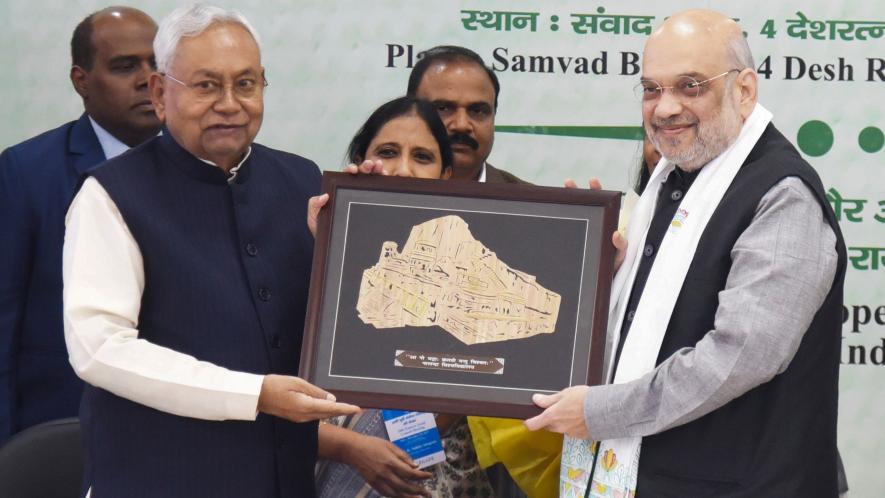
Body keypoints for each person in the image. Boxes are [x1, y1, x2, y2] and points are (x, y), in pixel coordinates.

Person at [525, 9, 846, 498]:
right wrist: (606, 279)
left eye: (691, 85)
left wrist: (600, 411)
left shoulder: (782, 196)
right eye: (652, 89)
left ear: (744, 90)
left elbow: (738, 358)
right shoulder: (672, 180)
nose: (665, 108)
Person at [62, 5, 359, 497]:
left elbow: (335, 326)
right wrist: (254, 394)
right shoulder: (111, 193)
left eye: (246, 84)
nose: (229, 103)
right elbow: (100, 348)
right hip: (157, 479)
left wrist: (358, 235)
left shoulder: (302, 180)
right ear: (160, 92)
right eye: (206, 86)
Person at [312, 96, 494, 498]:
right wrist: (350, 447)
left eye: (423, 157)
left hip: (434, 480)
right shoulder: (316, 244)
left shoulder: (474, 267)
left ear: (446, 174)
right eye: (388, 152)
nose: (403, 169)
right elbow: (270, 403)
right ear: (362, 159)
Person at [0, 6, 160, 445]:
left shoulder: (203, 167)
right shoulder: (26, 172)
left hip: (183, 431)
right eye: (125, 66)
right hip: (62, 429)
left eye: (157, 64)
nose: (148, 79)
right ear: (81, 80)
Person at [407, 45, 524, 184]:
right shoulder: (382, 188)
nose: (461, 125)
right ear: (408, 114)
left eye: (477, 111)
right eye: (443, 108)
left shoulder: (531, 203)